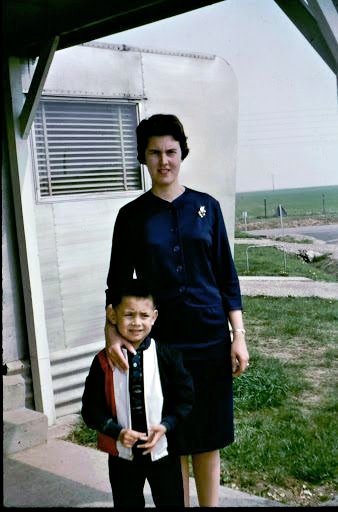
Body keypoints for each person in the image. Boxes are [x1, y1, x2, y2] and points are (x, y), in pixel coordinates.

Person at [104, 113, 250, 507]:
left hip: (209, 338)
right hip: (162, 347)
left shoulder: (207, 207)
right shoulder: (132, 216)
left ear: (182, 153)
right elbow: (116, 283)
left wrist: (239, 336)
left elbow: (227, 276)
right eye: (154, 153)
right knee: (173, 436)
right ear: (143, 158)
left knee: (209, 436)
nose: (163, 160)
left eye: (171, 151)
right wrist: (112, 335)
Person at [81, 279, 194, 508]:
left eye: (144, 315)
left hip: (163, 451)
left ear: (154, 317)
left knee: (171, 501)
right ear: (112, 316)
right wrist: (117, 431)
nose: (136, 322)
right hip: (123, 457)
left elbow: (185, 400)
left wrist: (166, 425)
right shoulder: (103, 362)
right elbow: (90, 410)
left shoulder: (168, 357)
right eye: (129, 315)